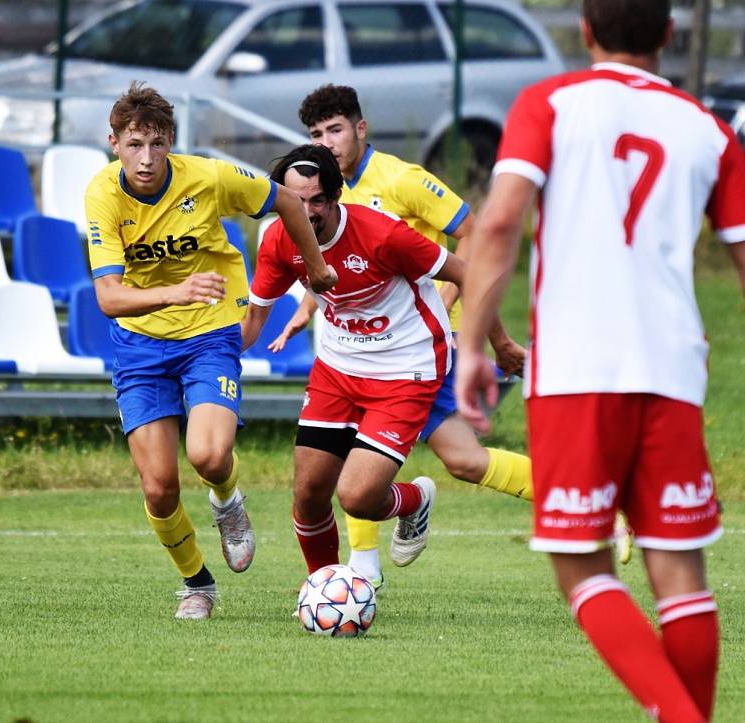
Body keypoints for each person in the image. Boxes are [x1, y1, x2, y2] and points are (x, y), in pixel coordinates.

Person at [455, 1, 745, 719]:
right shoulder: (709, 131)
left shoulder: (549, 103)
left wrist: (471, 345)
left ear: (586, 32)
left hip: (580, 367)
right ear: (670, 37)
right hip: (673, 370)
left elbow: (498, 222)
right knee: (680, 573)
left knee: (581, 563)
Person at [84, 82, 336, 620]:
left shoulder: (209, 176)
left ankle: (228, 502)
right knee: (158, 489)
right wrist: (175, 291)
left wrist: (314, 268)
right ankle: (197, 583)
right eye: (134, 145)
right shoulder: (102, 195)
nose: (146, 158)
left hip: (209, 332)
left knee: (209, 455)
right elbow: (108, 298)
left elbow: (287, 200)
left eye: (156, 143)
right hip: (141, 345)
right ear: (114, 144)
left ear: (171, 140)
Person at [268, 84, 531, 588]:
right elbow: (331, 263)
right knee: (418, 462)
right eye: (316, 134)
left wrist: (453, 306)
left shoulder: (400, 180)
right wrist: (307, 306)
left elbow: (471, 233)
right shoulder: (315, 197)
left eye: (336, 130)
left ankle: (587, 508)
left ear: (360, 129)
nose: (327, 143)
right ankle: (358, 572)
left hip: (418, 346)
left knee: (458, 461)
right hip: (359, 352)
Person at [241, 143, 465, 577]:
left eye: (316, 200)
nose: (305, 212)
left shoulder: (383, 234)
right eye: (294, 201)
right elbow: (253, 319)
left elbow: (465, 272)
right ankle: (323, 587)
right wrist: (209, 358)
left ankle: (415, 500)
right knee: (308, 492)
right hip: (339, 367)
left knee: (357, 496)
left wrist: (501, 343)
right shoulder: (277, 239)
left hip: (407, 368)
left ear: (336, 197)